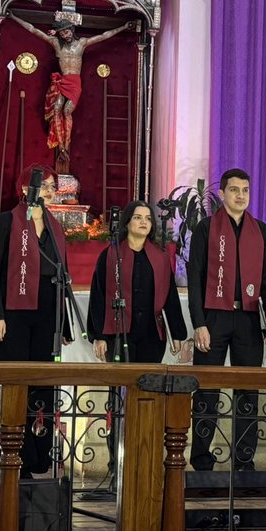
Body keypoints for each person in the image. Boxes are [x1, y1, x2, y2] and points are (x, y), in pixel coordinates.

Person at [0, 164, 72, 477]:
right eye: (44, 185)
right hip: (13, 313)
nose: (49, 191)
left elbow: (62, 276)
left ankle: (36, 457)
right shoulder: (6, 222)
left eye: (51, 186)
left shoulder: (54, 226)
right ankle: (7, 453)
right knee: (13, 384)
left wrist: (66, 324)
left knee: (41, 387)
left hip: (46, 313)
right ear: (24, 189)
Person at [88, 200, 187, 485]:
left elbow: (169, 299)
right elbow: (98, 296)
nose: (144, 222)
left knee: (147, 400)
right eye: (138, 217)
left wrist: (177, 334)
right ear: (127, 222)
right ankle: (117, 463)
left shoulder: (159, 257)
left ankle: (145, 461)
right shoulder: (110, 255)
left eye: (148, 218)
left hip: (150, 338)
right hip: (119, 337)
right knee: (119, 403)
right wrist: (99, 335)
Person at [186, 169, 266, 473]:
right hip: (213, 317)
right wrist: (199, 323)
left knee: (247, 389)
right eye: (235, 190)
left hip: (249, 319)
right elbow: (196, 278)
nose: (241, 196)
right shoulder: (205, 228)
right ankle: (201, 460)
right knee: (207, 389)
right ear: (223, 193)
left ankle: (244, 460)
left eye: (246, 190)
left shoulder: (261, 230)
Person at [10, 13, 136, 163]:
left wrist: (123, 27)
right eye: (62, 32)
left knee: (66, 111)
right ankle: (62, 147)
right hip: (63, 80)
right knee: (57, 109)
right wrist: (13, 17)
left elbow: (103, 36)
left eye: (67, 31)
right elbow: (34, 30)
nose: (65, 34)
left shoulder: (81, 44)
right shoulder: (57, 44)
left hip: (75, 82)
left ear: (72, 30)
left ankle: (66, 144)